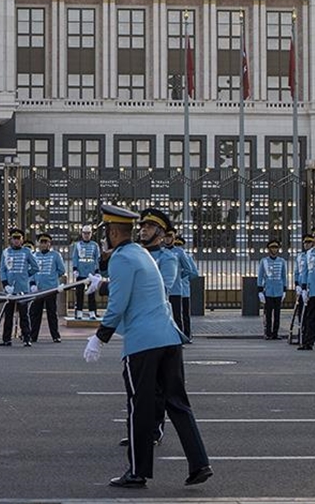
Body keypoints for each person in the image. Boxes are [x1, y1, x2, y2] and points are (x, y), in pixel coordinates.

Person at [83, 204, 211, 489]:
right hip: (169, 339)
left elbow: (119, 304)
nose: (104, 237)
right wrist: (102, 284)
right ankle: (200, 463)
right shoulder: (141, 254)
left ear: (114, 233)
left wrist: (99, 337)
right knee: (178, 404)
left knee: (138, 407)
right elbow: (134, 286)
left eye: (106, 232)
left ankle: (138, 472)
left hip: (143, 344)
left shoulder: (121, 258)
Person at [139, 209, 180, 329]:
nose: (144, 229)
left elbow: (161, 289)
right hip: (137, 319)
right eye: (143, 226)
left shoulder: (167, 258)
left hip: (157, 320)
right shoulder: (135, 253)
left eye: (150, 226)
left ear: (161, 234)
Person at [0, 228, 35, 346]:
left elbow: (35, 267)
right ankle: (6, 338)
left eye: (18, 238)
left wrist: (25, 276)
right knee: (8, 314)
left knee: (24, 315)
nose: (16, 241)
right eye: (14, 238)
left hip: (22, 288)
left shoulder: (27, 252)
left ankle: (26, 337)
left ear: (22, 240)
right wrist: (5, 284)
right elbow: (2, 270)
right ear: (11, 239)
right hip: (9, 289)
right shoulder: (6, 252)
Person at [28, 232, 65, 343]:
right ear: (38, 244)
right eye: (42, 242)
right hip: (38, 290)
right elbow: (31, 272)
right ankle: (33, 336)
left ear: (49, 243)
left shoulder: (55, 255)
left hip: (51, 289)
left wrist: (53, 279)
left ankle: (55, 335)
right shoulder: (34, 255)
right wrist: (32, 284)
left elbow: (61, 270)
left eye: (46, 242)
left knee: (52, 313)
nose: (44, 244)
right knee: (36, 314)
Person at [256, 241, 287, 340]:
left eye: (276, 248)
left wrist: (284, 290)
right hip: (268, 290)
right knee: (268, 314)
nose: (274, 249)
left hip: (278, 290)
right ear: (269, 249)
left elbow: (283, 276)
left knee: (277, 314)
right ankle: (267, 332)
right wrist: (260, 290)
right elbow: (260, 276)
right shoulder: (264, 261)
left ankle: (275, 333)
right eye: (272, 248)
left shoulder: (282, 261)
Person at [71, 225, 100, 320]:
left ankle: (92, 312)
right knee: (79, 293)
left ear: (91, 234)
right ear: (82, 234)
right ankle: (79, 312)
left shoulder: (95, 245)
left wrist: (97, 270)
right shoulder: (77, 245)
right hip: (81, 271)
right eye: (85, 233)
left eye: (88, 233)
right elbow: (75, 257)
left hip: (91, 272)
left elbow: (97, 258)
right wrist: (75, 269)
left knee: (92, 293)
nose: (86, 235)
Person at [172, 235, 197, 338]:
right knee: (177, 314)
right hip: (175, 290)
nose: (178, 247)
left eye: (179, 245)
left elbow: (193, 273)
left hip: (184, 290)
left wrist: (182, 277)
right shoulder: (169, 255)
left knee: (184, 315)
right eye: (176, 244)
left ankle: (187, 334)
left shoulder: (186, 256)